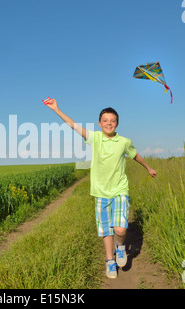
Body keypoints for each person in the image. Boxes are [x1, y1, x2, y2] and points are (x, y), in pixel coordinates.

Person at [44, 98, 156, 279]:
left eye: (112, 121)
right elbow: (73, 125)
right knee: (106, 230)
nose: (109, 124)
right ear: (99, 123)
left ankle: (120, 247)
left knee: (120, 229)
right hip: (100, 192)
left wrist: (148, 167)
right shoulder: (94, 138)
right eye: (105, 121)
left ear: (117, 123)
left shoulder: (124, 141)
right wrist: (57, 109)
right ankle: (109, 260)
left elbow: (135, 155)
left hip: (120, 190)